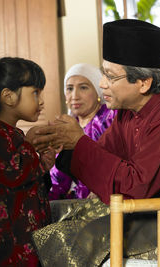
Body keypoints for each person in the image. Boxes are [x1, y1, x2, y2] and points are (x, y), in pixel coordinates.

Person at [28, 19, 160, 267]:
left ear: (143, 83)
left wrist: (78, 143)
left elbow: (136, 185)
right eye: (103, 74)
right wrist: (62, 145)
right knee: (52, 218)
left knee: (64, 238)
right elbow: (99, 153)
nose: (102, 85)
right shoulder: (128, 110)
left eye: (110, 77)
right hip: (139, 212)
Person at [0, 57, 54, 266]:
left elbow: (27, 179)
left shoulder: (11, 134)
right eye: (35, 93)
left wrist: (44, 165)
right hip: (10, 241)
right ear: (9, 96)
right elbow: (13, 173)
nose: (41, 101)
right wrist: (30, 144)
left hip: (26, 235)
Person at [49, 63, 117, 200]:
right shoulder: (65, 127)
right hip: (76, 203)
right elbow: (58, 180)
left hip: (108, 201)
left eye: (83, 87)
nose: (75, 96)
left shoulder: (112, 118)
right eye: (69, 88)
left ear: (98, 91)